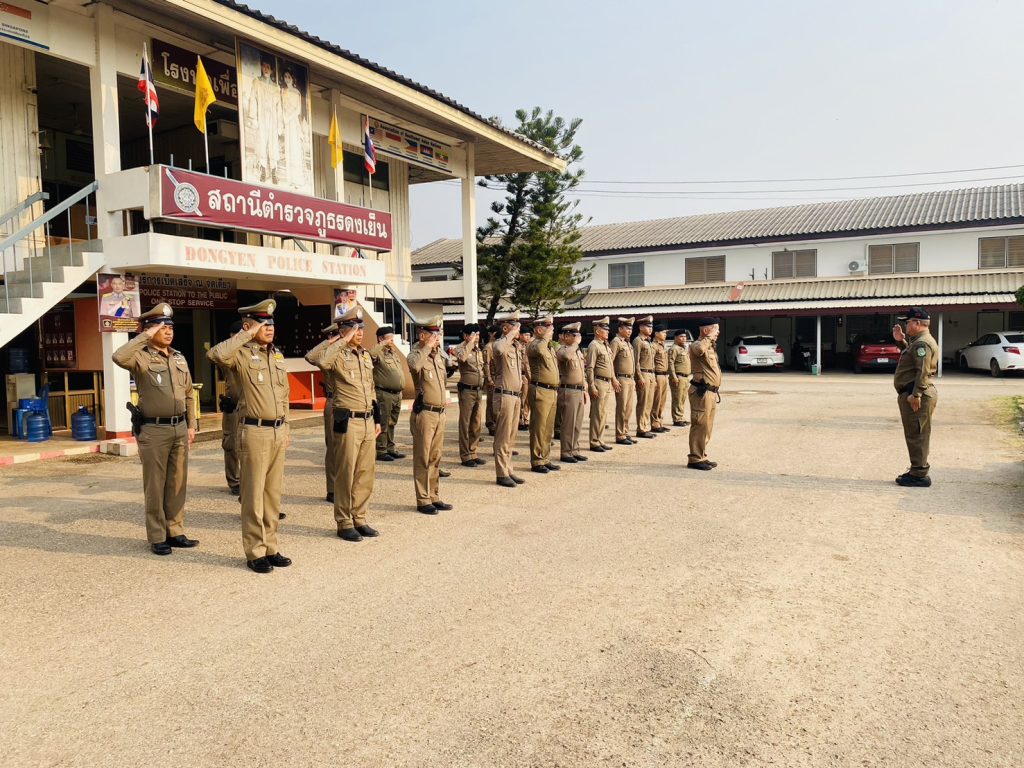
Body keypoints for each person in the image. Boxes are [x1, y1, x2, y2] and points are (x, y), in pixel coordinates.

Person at [207, 299, 292, 572]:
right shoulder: (240, 354)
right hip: (254, 431)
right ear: (248, 326)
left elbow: (284, 395)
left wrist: (286, 427)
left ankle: (271, 546)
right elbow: (216, 354)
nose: (269, 328)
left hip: (277, 430)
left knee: (272, 495)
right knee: (253, 495)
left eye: (271, 323)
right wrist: (247, 334)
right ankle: (255, 551)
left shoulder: (276, 356)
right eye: (263, 323)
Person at [111, 303, 197, 556]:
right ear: (148, 330)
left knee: (177, 483)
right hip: (154, 429)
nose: (168, 332)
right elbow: (118, 356)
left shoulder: (179, 357)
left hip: (179, 427)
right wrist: (144, 336)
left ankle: (175, 530)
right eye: (162, 327)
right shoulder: (140, 356)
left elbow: (189, 394)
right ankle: (158, 536)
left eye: (170, 327)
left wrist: (191, 424)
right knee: (155, 485)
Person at [308, 307, 382, 542]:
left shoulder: (364, 355)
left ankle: (360, 517)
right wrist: (338, 340)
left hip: (367, 419)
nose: (359, 333)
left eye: (360, 328)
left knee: (365, 473)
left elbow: (370, 388)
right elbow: (316, 358)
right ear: (343, 331)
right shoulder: (336, 355)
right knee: (346, 473)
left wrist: (377, 418)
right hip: (348, 421)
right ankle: (344, 522)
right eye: (353, 329)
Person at [406, 315, 452, 514]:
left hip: (439, 413)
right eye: (433, 335)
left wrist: (436, 349)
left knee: (435, 457)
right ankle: (423, 499)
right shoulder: (415, 354)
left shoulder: (437, 356)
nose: (437, 338)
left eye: (438, 335)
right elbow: (414, 367)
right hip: (425, 413)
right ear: (422, 336)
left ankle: (434, 495)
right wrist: (427, 347)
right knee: (422, 458)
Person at [892, 307, 940, 487]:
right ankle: (916, 469)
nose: (906, 325)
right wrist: (901, 342)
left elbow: (923, 370)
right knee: (915, 433)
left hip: (916, 393)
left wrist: (916, 394)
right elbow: (913, 358)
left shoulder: (922, 344)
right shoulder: (918, 342)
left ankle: (919, 474)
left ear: (917, 323)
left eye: (908, 322)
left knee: (917, 435)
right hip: (913, 392)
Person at [305, 324, 340, 503]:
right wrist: (330, 342)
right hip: (335, 403)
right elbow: (310, 356)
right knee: (334, 448)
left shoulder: (352, 353)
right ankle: (332, 489)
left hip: (354, 404)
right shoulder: (327, 356)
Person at [491, 312, 526, 487]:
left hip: (515, 396)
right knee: (503, 436)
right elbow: (498, 349)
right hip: (504, 395)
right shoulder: (501, 344)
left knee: (511, 437)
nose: (518, 329)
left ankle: (508, 469)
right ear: (505, 328)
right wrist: (510, 334)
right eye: (515, 326)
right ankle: (501, 473)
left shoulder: (515, 347)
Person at [526, 316, 561, 474]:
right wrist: (545, 337)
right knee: (538, 427)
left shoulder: (548, 346)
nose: (552, 332)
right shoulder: (534, 344)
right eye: (549, 329)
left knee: (548, 428)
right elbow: (539, 350)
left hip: (551, 391)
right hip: (540, 390)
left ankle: (545, 458)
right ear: (539, 330)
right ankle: (537, 460)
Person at [687, 317, 722, 471]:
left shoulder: (710, 346)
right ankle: (695, 458)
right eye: (715, 329)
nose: (718, 333)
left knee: (707, 427)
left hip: (711, 392)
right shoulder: (697, 344)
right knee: (699, 425)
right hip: (701, 392)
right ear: (706, 330)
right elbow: (699, 349)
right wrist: (709, 337)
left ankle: (701, 455)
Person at [369, 325, 406, 463]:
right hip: (384, 393)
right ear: (380, 339)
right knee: (383, 422)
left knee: (392, 422)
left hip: (396, 394)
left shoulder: (393, 353)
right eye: (389, 337)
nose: (392, 340)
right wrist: (382, 344)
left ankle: (390, 448)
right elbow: (370, 354)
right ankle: (381, 450)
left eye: (392, 337)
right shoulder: (378, 353)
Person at [216, 321, 244, 496]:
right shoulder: (227, 356)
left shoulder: (250, 354)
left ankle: (248, 480)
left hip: (250, 408)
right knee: (231, 445)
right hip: (233, 407)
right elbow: (215, 354)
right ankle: (235, 481)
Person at [454, 323, 487, 468]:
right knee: (465, 423)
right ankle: (465, 455)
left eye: (478, 335)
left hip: (478, 390)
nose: (477, 337)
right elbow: (462, 358)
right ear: (466, 336)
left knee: (476, 423)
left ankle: (473, 452)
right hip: (466, 391)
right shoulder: (460, 348)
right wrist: (470, 344)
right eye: (474, 335)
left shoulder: (478, 350)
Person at [556, 321, 589, 463]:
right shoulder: (562, 349)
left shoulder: (577, 351)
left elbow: (582, 371)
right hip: (568, 390)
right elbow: (566, 357)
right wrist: (575, 344)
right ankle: (566, 452)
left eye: (578, 335)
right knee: (568, 423)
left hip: (579, 390)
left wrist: (585, 388)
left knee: (577, 423)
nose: (578, 338)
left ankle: (574, 449)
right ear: (566, 336)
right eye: (574, 335)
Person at [246, 57, 282, 184]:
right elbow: (253, 99)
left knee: (273, 144)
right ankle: (263, 170)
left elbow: (279, 107)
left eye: (268, 67)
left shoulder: (275, 87)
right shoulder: (257, 82)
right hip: (261, 117)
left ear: (271, 70)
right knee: (261, 143)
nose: (266, 69)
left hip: (272, 120)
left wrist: (279, 124)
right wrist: (254, 118)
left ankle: (273, 172)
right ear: (261, 67)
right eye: (264, 66)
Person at [586, 316, 617, 452]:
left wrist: (613, 379)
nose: (608, 332)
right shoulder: (594, 345)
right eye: (605, 329)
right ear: (598, 331)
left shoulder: (605, 345)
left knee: (603, 413)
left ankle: (600, 439)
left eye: (608, 329)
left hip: (607, 383)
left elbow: (610, 365)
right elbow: (590, 367)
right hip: (599, 382)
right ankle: (594, 441)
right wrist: (591, 385)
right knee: (597, 413)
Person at [279, 67, 309, 191]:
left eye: (289, 77)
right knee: (288, 150)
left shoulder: (296, 92)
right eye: (285, 77)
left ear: (292, 78)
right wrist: (284, 119)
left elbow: (297, 110)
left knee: (295, 151)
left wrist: (288, 118)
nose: (287, 79)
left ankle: (298, 180)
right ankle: (290, 179)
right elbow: (282, 107)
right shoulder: (283, 91)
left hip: (293, 123)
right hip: (287, 123)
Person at [610, 316, 637, 445]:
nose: (630, 331)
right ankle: (620, 434)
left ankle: (625, 432)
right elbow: (610, 362)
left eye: (631, 329)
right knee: (622, 408)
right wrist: (613, 379)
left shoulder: (627, 343)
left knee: (628, 408)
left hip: (630, 379)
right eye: (627, 328)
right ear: (620, 329)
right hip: (621, 378)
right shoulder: (616, 342)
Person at [632, 315, 657, 438]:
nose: (650, 329)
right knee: (643, 402)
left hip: (651, 374)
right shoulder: (638, 341)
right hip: (643, 373)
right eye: (647, 327)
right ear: (641, 328)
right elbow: (635, 361)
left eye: (651, 327)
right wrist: (639, 377)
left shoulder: (648, 341)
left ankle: (646, 426)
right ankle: (641, 428)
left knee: (649, 402)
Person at [668, 330, 692, 427]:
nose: (684, 338)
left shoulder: (684, 348)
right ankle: (677, 419)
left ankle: (680, 417)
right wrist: (673, 377)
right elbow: (670, 363)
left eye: (685, 337)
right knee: (677, 398)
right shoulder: (674, 349)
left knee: (682, 398)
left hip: (685, 377)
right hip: (678, 377)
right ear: (676, 338)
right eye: (681, 336)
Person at [651, 325, 671, 433]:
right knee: (656, 401)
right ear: (656, 333)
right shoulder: (653, 346)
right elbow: (651, 362)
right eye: (663, 332)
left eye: (665, 333)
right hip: (657, 375)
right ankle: (654, 423)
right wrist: (653, 377)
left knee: (662, 401)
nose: (665, 335)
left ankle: (659, 422)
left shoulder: (663, 345)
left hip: (664, 375)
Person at [483, 326, 500, 436]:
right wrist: (488, 379)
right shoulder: (488, 347)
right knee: (491, 402)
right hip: (492, 377)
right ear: (491, 334)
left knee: (497, 402)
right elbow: (486, 364)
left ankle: (496, 422)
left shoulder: (498, 345)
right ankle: (491, 423)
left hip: (499, 377)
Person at [516, 325, 533, 431]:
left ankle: (526, 418)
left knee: (527, 400)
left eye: (529, 335)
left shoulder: (530, 347)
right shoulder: (517, 346)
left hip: (529, 376)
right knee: (521, 398)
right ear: (520, 335)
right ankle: (519, 419)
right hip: (520, 375)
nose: (528, 337)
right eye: (526, 335)